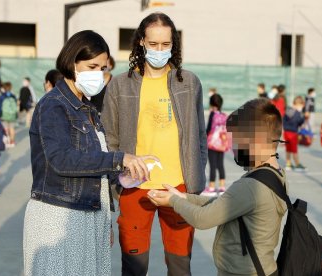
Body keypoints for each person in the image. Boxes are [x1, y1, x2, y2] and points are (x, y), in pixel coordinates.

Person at [22, 30, 157, 276]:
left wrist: (127, 173)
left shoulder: (89, 110)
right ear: (72, 63)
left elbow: (95, 164)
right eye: (92, 66)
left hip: (90, 216)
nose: (99, 74)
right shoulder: (53, 105)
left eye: (103, 68)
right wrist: (119, 158)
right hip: (59, 218)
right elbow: (62, 160)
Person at [101, 13, 207, 276]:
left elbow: (200, 136)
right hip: (135, 187)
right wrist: (117, 182)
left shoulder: (190, 82)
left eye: (165, 45)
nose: (160, 50)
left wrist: (195, 181)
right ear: (141, 43)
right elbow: (109, 137)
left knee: (180, 268)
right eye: (153, 44)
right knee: (135, 269)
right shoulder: (119, 85)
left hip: (179, 189)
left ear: (174, 45)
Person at [147, 98, 287, 276]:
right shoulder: (276, 174)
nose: (233, 148)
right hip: (264, 268)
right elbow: (225, 204)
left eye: (237, 141)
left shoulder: (250, 186)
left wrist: (174, 201)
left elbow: (203, 219)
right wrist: (185, 197)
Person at [202, 94, 227, 196]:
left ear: (211, 103)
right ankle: (222, 187)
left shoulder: (213, 114)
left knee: (213, 165)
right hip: (222, 143)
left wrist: (204, 138)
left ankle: (211, 187)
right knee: (220, 164)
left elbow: (208, 129)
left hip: (212, 144)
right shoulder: (224, 115)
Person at [283, 96, 306, 171]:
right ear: (298, 104)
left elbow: (284, 120)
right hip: (293, 133)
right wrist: (303, 119)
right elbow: (299, 122)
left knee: (288, 149)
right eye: (301, 105)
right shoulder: (297, 113)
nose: (302, 107)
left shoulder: (288, 110)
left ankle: (288, 163)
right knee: (294, 149)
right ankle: (297, 164)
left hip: (286, 132)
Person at [0, 82, 17, 147]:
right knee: (12, 128)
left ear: (4, 88)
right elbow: (16, 106)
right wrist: (16, 114)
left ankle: (7, 142)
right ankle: (12, 142)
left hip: (4, 115)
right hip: (12, 115)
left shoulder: (2, 96)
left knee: (5, 128)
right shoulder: (13, 96)